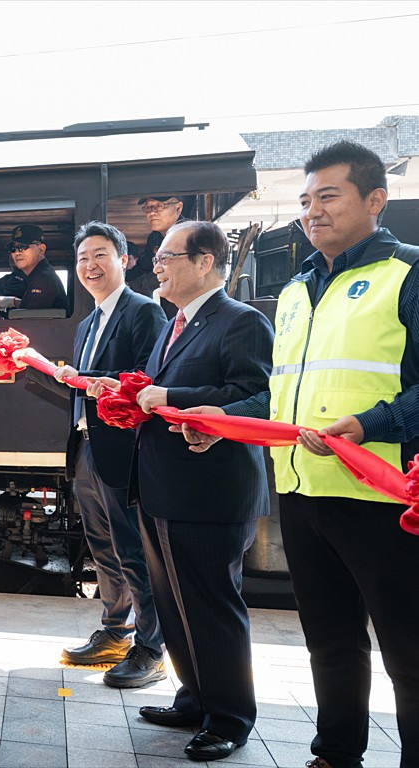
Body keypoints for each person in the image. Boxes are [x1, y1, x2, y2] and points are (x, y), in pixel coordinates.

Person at [176, 140, 419, 768]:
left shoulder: (408, 275)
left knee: (408, 651)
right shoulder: (295, 291)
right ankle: (335, 754)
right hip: (305, 490)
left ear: (376, 199)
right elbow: (281, 395)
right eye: (306, 201)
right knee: (330, 641)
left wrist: (370, 424)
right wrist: (225, 422)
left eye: (328, 197)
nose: (313, 212)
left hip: (385, 497)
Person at [99, 220, 273, 761]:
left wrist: (170, 396)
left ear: (204, 262)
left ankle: (230, 718)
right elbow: (160, 393)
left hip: (210, 492)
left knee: (212, 607)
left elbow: (257, 396)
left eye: (167, 257)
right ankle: (195, 698)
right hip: (163, 488)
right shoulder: (174, 323)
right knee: (176, 605)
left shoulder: (241, 321)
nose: (157, 267)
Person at [53, 222, 167, 688]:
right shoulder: (87, 324)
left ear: (124, 260)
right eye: (82, 258)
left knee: (132, 548)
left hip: (122, 449)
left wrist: (99, 380)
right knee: (102, 546)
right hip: (87, 445)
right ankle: (116, 631)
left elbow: (149, 377)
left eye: (100, 255)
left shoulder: (144, 312)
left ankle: (152, 648)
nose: (90, 266)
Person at [0, 225, 69, 312]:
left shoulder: (43, 278)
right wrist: (13, 302)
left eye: (23, 247)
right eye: (13, 249)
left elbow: (30, 314)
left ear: (41, 250)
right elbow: (31, 307)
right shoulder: (37, 275)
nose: (17, 253)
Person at [135, 195, 186, 317]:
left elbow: (175, 274)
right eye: (148, 207)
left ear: (178, 208)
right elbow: (143, 267)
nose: (152, 213)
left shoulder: (190, 236)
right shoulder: (154, 238)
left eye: (159, 206)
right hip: (165, 306)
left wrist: (136, 285)